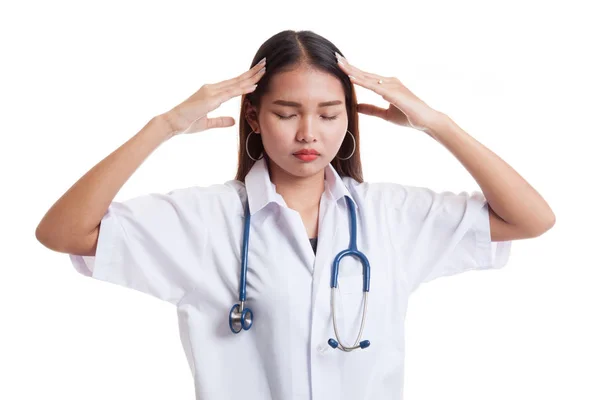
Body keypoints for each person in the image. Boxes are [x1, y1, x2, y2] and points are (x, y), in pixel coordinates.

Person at [35, 30, 555, 400]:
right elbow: (62, 231)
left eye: (329, 114)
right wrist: (165, 125)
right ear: (255, 119)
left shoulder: (391, 216)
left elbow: (531, 219)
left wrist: (436, 124)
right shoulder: (206, 220)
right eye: (287, 114)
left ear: (349, 118)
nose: (309, 133)